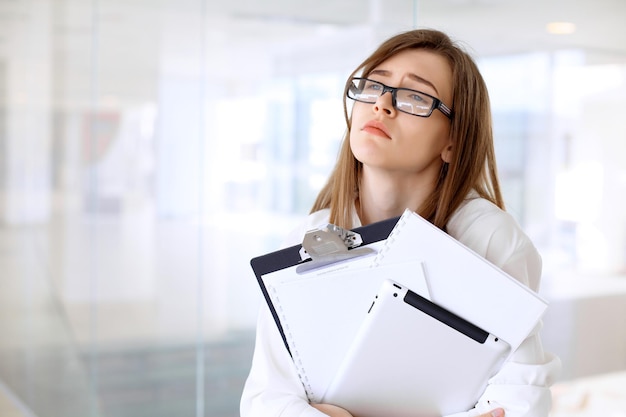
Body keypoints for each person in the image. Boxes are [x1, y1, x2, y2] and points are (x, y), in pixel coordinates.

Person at [240, 29, 561, 417]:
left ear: (452, 142)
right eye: (374, 86)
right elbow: (265, 400)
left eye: (415, 97)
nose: (383, 105)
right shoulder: (310, 237)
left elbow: (519, 403)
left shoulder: (491, 238)